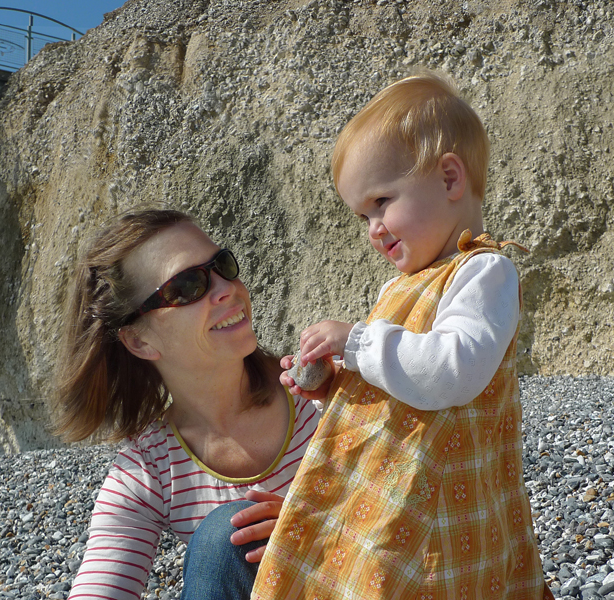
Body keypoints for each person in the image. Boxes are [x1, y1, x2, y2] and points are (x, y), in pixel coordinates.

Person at [251, 71, 552, 599]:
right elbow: (402, 387)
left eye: (382, 202)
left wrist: (357, 343)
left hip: (443, 516)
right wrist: (338, 388)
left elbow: (450, 372)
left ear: (450, 179)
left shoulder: (484, 273)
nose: (373, 227)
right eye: (362, 215)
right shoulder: (402, 286)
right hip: (391, 499)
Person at [52, 209, 322, 600]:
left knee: (223, 536)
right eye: (188, 286)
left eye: (222, 265)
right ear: (140, 341)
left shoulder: (325, 392)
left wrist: (323, 523)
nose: (227, 288)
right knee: (226, 538)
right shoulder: (150, 469)